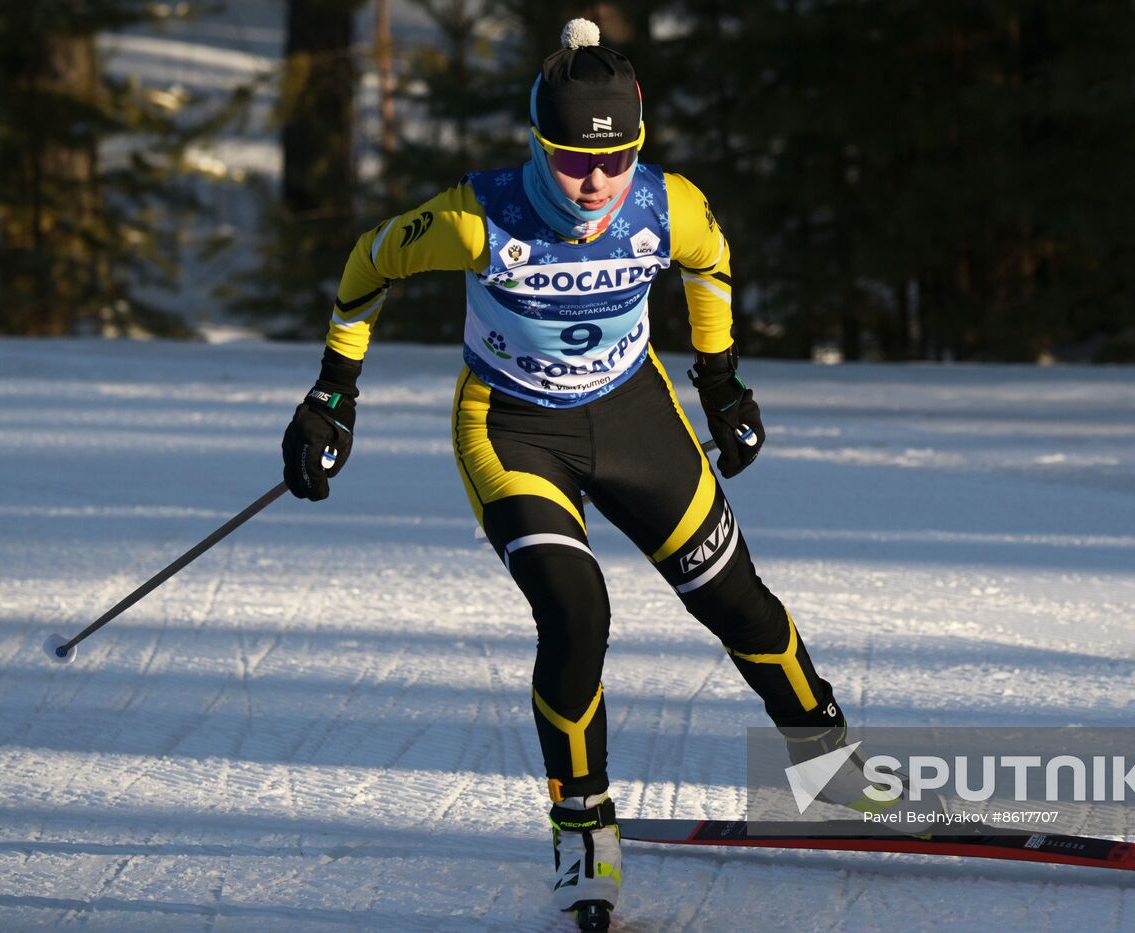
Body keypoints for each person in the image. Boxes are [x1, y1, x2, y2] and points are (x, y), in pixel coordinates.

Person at [280, 19, 853, 930]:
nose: (595, 182)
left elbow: (711, 267)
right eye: (572, 160)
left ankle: (830, 764)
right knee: (576, 608)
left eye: (617, 159)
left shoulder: (670, 207)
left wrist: (722, 383)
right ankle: (582, 825)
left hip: (632, 416)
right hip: (511, 429)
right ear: (538, 144)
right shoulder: (478, 215)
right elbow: (368, 261)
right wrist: (331, 394)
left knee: (736, 601)